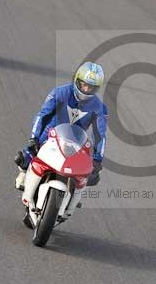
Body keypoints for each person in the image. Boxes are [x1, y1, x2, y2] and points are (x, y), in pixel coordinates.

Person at [15, 62, 108, 190]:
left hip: (76, 143)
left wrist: (97, 159)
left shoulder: (100, 108)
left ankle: (72, 203)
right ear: (77, 80)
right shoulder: (59, 92)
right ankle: (24, 173)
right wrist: (34, 138)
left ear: (97, 88)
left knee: (90, 176)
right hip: (49, 136)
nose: (86, 89)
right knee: (25, 157)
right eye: (84, 84)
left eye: (91, 87)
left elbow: (100, 134)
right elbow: (42, 115)